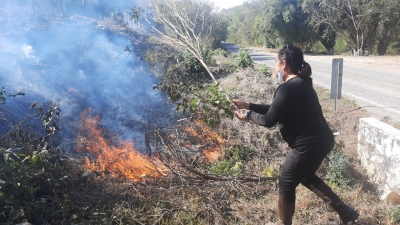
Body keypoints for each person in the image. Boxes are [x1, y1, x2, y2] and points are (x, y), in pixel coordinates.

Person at [230, 45, 359, 225]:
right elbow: (274, 109)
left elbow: (268, 120)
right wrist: (248, 105)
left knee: (286, 182)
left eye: (276, 62)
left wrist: (248, 115)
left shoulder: (289, 87)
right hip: (322, 140)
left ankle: (284, 223)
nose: (275, 66)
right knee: (306, 176)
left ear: (283, 64)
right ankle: (346, 213)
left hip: (308, 145)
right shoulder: (299, 83)